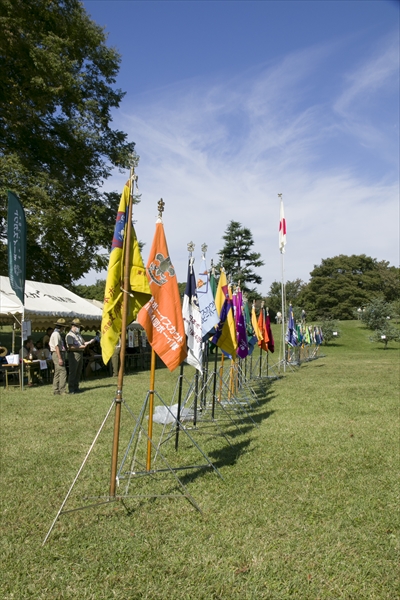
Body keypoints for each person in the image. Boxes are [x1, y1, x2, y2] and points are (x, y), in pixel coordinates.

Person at [66, 318, 92, 394]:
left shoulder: (78, 335)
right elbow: (71, 347)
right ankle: (71, 388)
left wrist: (89, 342)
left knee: (78, 371)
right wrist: (80, 347)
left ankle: (76, 386)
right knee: (73, 371)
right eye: (78, 326)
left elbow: (83, 343)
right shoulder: (69, 335)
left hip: (80, 353)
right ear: (73, 326)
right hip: (74, 354)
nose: (79, 328)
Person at [49, 318, 67, 395]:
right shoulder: (56, 334)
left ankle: (56, 390)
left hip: (57, 353)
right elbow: (56, 346)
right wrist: (59, 358)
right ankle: (62, 390)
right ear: (61, 327)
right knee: (63, 371)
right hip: (57, 353)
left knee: (57, 372)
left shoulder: (56, 333)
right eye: (63, 327)